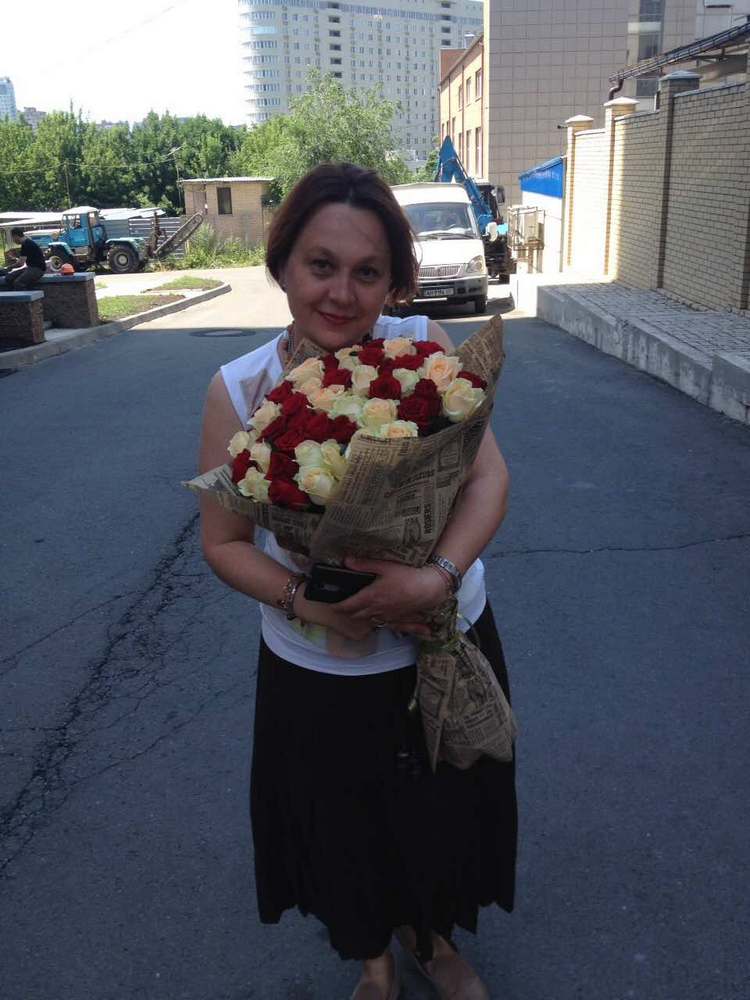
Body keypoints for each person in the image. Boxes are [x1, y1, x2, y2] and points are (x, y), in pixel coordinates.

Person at [198, 162, 517, 1000]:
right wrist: (304, 601)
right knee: (342, 827)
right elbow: (224, 542)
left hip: (440, 638)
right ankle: (373, 959)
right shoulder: (240, 389)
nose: (342, 293)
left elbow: (487, 479)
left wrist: (435, 578)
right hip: (318, 664)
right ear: (283, 264)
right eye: (321, 265)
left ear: (393, 281)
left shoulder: (423, 348)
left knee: (441, 812)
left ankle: (433, 942)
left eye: (367, 271)